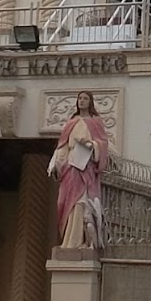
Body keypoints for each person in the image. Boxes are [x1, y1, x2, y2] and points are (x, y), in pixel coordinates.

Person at [47, 91, 111, 249]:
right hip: (71, 167)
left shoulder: (95, 122)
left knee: (81, 204)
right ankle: (68, 240)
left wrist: (92, 145)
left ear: (90, 102)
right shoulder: (71, 122)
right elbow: (63, 147)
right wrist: (56, 164)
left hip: (85, 167)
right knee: (64, 202)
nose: (82, 101)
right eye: (80, 99)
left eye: (85, 99)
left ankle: (79, 241)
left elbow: (103, 144)